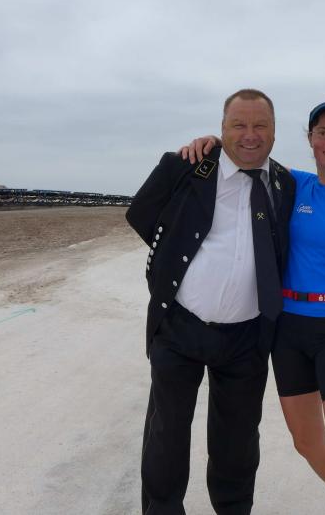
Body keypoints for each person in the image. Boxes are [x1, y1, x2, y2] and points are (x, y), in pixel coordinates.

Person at [181, 100, 325, 515]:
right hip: (288, 330)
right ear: (310, 138)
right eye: (323, 133)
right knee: (308, 443)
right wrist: (211, 143)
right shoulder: (293, 184)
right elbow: (248, 151)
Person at [125, 88, 296, 514]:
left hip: (247, 337)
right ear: (222, 129)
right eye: (239, 125)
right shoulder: (187, 167)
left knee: (237, 443)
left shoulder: (285, 184)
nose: (250, 135)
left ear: (275, 132)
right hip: (178, 329)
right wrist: (172, 254)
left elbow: (303, 240)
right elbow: (141, 213)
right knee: (166, 436)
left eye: (260, 126)